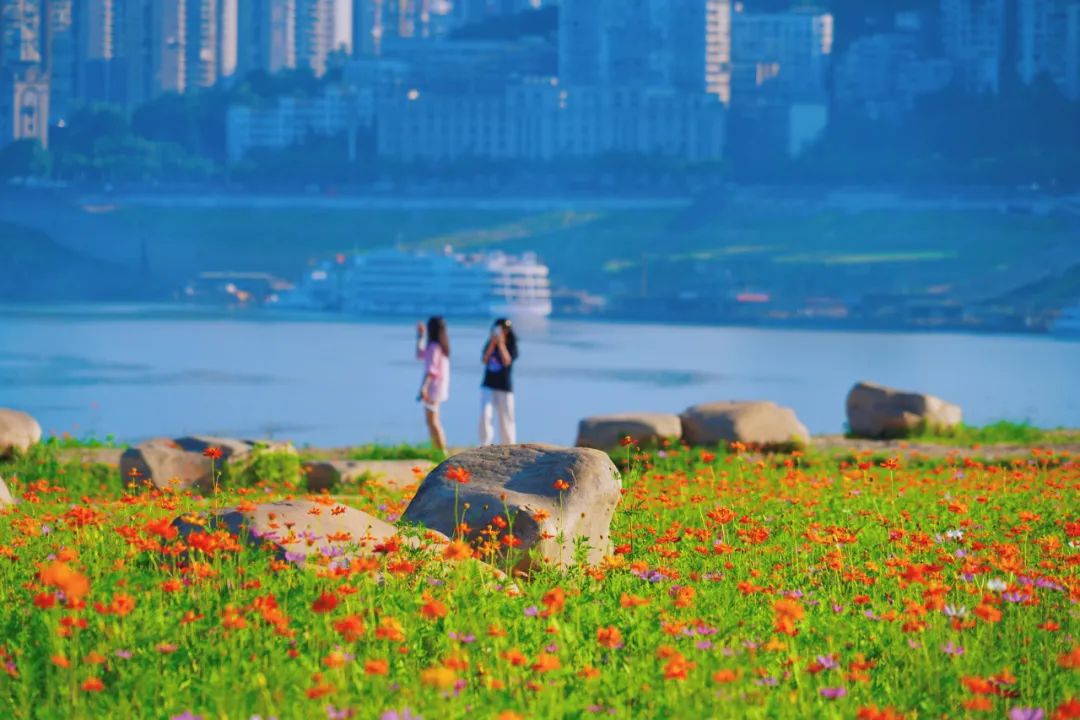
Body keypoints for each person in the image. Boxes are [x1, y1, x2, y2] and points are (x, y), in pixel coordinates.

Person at [480, 317, 518, 445]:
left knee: (506, 419)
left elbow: (507, 360)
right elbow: (484, 360)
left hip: (504, 387)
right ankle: (484, 444)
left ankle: (509, 445)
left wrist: (501, 344)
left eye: (505, 329)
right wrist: (492, 343)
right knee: (485, 415)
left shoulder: (511, 344)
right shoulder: (490, 343)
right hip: (488, 384)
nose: (503, 331)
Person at [416, 316, 450, 455]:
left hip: (433, 388)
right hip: (439, 388)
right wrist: (420, 336)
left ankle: (441, 451)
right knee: (432, 421)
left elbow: (431, 370)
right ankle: (438, 449)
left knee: (432, 421)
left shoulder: (434, 347)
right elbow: (420, 354)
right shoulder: (442, 347)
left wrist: (423, 388)